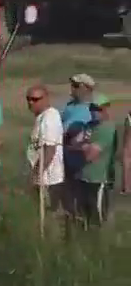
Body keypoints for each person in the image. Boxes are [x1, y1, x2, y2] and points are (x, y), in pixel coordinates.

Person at [73, 94, 118, 228]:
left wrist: (82, 146)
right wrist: (84, 146)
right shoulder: (89, 126)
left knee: (96, 217)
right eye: (91, 108)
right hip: (83, 176)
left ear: (105, 109)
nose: (93, 111)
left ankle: (99, 243)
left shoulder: (107, 129)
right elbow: (73, 143)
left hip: (98, 179)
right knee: (82, 215)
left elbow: (90, 156)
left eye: (97, 108)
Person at [25, 84, 67, 214]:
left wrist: (36, 175)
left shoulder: (50, 118)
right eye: (28, 99)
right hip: (43, 177)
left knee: (47, 214)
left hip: (48, 179)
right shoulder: (42, 117)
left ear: (46, 99)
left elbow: (49, 150)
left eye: (35, 99)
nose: (31, 103)